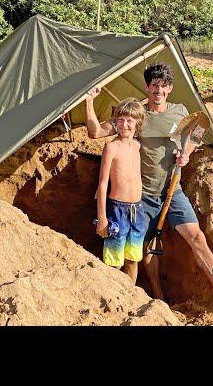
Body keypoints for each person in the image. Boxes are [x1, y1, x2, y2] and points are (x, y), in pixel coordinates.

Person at [85, 63, 213, 317]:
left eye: (163, 85)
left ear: (170, 88)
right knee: (143, 248)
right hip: (140, 197)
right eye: (154, 85)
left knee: (197, 238)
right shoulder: (136, 114)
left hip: (172, 190)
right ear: (146, 87)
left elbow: (199, 130)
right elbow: (95, 132)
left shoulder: (180, 112)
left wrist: (187, 154)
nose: (158, 89)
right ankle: (157, 296)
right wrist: (90, 102)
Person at [95, 98, 146, 285]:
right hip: (117, 210)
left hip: (137, 209)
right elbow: (102, 185)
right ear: (115, 122)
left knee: (133, 258)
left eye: (130, 120)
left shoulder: (137, 146)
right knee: (114, 260)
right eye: (121, 119)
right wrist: (102, 218)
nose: (125, 124)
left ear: (137, 124)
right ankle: (111, 296)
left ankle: (131, 295)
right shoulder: (111, 147)